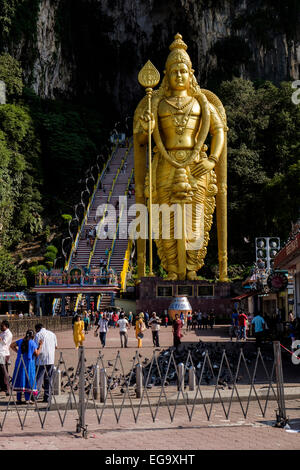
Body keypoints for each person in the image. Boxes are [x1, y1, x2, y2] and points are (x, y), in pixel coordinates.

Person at [134, 33, 228, 282]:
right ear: (166, 75)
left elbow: (219, 132)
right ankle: (173, 269)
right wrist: (147, 127)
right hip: (165, 163)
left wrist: (213, 159)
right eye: (174, 71)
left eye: (183, 71)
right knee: (166, 216)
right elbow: (142, 141)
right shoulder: (157, 104)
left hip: (197, 164)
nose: (179, 75)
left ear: (191, 74)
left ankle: (192, 268)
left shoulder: (202, 103)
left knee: (196, 215)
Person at [10, 330, 43, 404]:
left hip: (19, 362)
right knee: (28, 379)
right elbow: (37, 354)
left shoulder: (20, 341)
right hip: (28, 364)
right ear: (32, 336)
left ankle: (18, 399)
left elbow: (12, 345)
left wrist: (18, 352)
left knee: (20, 378)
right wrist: (40, 346)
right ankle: (27, 399)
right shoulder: (32, 343)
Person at [34, 324, 58, 403]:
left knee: (39, 379)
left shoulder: (38, 335)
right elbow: (56, 346)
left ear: (37, 329)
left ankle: (35, 396)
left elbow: (35, 347)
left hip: (41, 360)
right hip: (50, 359)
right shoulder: (52, 334)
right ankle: (47, 397)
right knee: (49, 379)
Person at [0, 320, 13, 396]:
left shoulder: (8, 334)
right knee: (1, 371)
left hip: (4, 354)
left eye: (2, 326)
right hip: (1, 353)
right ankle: (3, 386)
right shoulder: (3, 333)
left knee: (4, 371)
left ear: (6, 326)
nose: (1, 327)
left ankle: (7, 388)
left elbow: (4, 343)